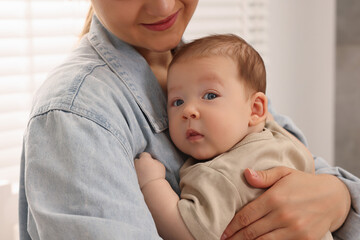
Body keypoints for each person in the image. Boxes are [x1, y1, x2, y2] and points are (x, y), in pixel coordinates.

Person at [18, 1, 359, 239]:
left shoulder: (212, 65)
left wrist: (338, 197)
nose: (165, 6)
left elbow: (298, 158)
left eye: (209, 97)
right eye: (177, 103)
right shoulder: (77, 116)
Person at [134, 34, 333, 240]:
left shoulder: (219, 174)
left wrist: (151, 183)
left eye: (210, 95)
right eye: (177, 102)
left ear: (255, 108)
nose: (188, 111)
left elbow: (185, 232)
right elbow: (308, 160)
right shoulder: (282, 139)